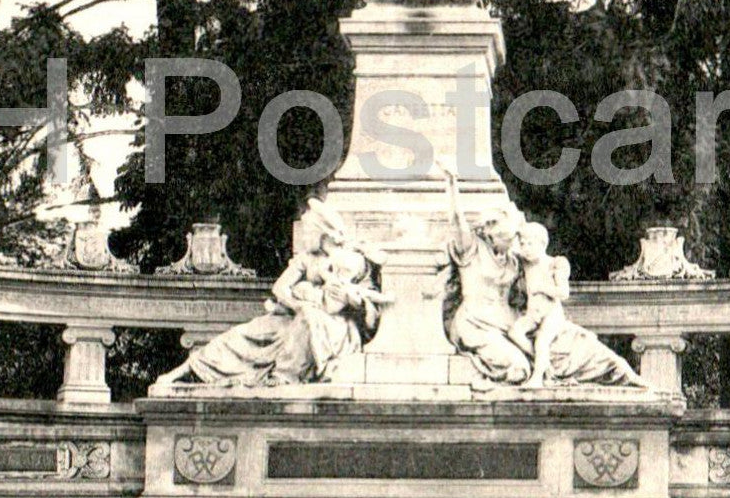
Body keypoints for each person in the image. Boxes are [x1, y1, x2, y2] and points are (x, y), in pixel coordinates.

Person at [154, 201, 387, 387]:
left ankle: (284, 376)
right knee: (238, 336)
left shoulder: (354, 260)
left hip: (333, 326)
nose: (304, 235)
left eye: (308, 231)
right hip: (291, 316)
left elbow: (367, 308)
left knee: (308, 320)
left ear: (322, 233)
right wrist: (296, 302)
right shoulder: (307, 259)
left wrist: (346, 300)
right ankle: (179, 373)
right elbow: (279, 288)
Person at [512, 220, 650, 390]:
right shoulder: (525, 264)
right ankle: (545, 364)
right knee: (514, 332)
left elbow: (563, 292)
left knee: (542, 341)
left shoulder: (554, 264)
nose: (525, 248)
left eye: (530, 244)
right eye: (523, 244)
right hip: (532, 315)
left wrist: (542, 288)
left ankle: (537, 377)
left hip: (551, 315)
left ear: (542, 244)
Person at [440, 164, 531, 386]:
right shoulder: (472, 249)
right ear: (492, 234)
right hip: (475, 325)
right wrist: (452, 185)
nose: (513, 243)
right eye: (508, 239)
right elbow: (456, 220)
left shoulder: (512, 261)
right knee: (519, 368)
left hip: (506, 324)